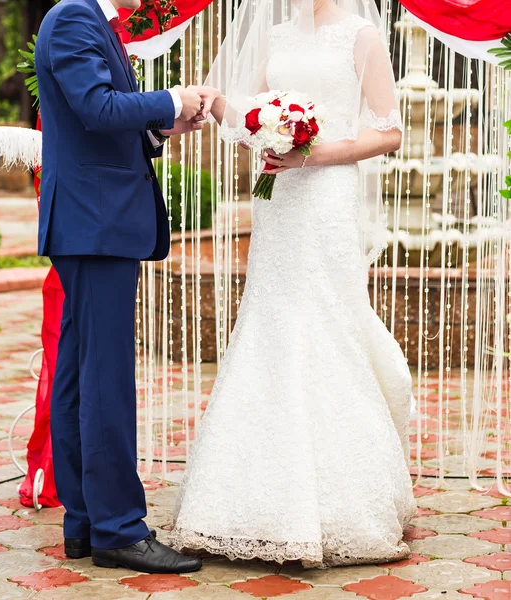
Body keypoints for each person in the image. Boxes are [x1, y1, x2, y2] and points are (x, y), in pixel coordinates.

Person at [171, 0, 417, 568]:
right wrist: (228, 110)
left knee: (325, 321)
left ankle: (344, 500)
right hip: (278, 197)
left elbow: (389, 131)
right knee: (271, 319)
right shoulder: (275, 35)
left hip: (326, 195)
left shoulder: (360, 35)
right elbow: (240, 119)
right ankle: (246, 502)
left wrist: (313, 152)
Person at [35, 0, 209, 574]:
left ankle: (85, 523)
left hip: (94, 221)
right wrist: (172, 99)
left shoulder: (88, 23)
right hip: (95, 223)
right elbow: (95, 107)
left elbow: (104, 123)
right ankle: (118, 529)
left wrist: (163, 124)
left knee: (79, 376)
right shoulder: (72, 18)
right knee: (106, 379)